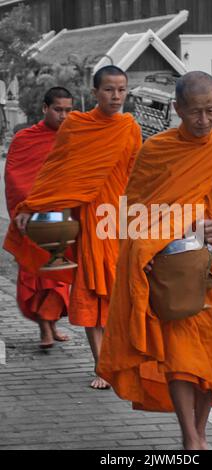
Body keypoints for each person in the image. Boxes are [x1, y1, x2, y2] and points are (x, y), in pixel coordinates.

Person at [97, 71, 212, 450]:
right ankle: (190, 436)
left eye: (211, 111)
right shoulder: (157, 150)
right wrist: (143, 255)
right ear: (177, 108)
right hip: (169, 268)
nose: (203, 120)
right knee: (181, 354)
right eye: (195, 112)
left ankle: (200, 431)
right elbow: (133, 211)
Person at [4, 65, 142, 389]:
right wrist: (31, 206)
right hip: (90, 220)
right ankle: (101, 367)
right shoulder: (78, 126)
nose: (116, 96)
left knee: (121, 294)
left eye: (122, 89)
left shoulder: (130, 127)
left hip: (118, 219)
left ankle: (118, 359)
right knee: (93, 291)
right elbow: (54, 173)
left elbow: (138, 173)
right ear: (94, 93)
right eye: (109, 89)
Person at [4, 87, 73, 349]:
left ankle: (52, 325)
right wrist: (31, 207)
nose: (64, 116)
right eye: (58, 110)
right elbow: (15, 178)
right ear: (45, 109)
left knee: (57, 274)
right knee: (37, 273)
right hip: (34, 219)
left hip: (63, 216)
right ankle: (45, 328)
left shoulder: (74, 139)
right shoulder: (25, 139)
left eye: (68, 110)